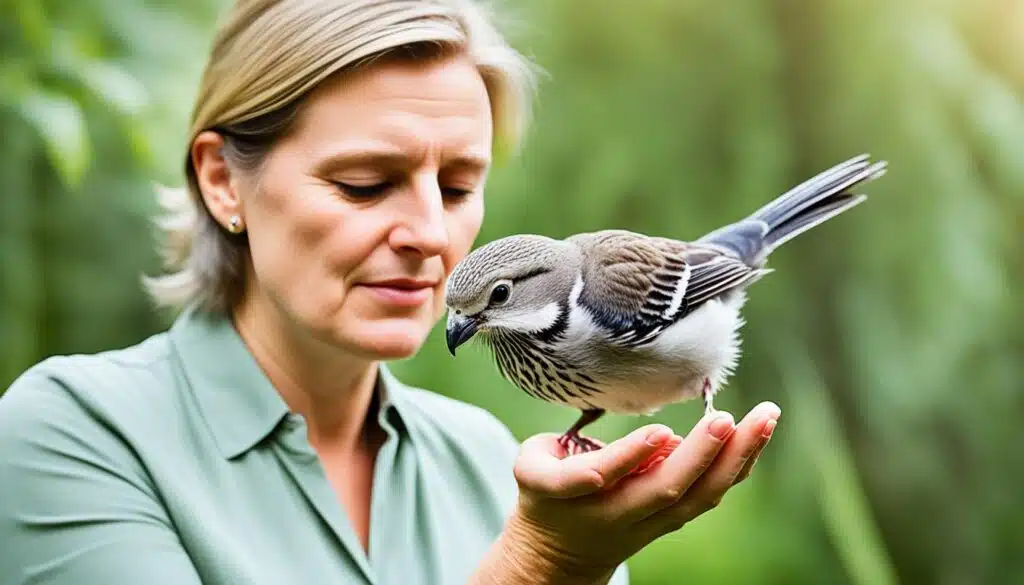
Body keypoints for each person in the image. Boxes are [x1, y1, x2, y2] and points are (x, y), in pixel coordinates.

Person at [0, 1, 782, 584]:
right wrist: (542, 565)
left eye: (457, 185)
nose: (431, 235)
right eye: (366, 184)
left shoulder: (499, 464)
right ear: (221, 182)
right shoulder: (69, 437)